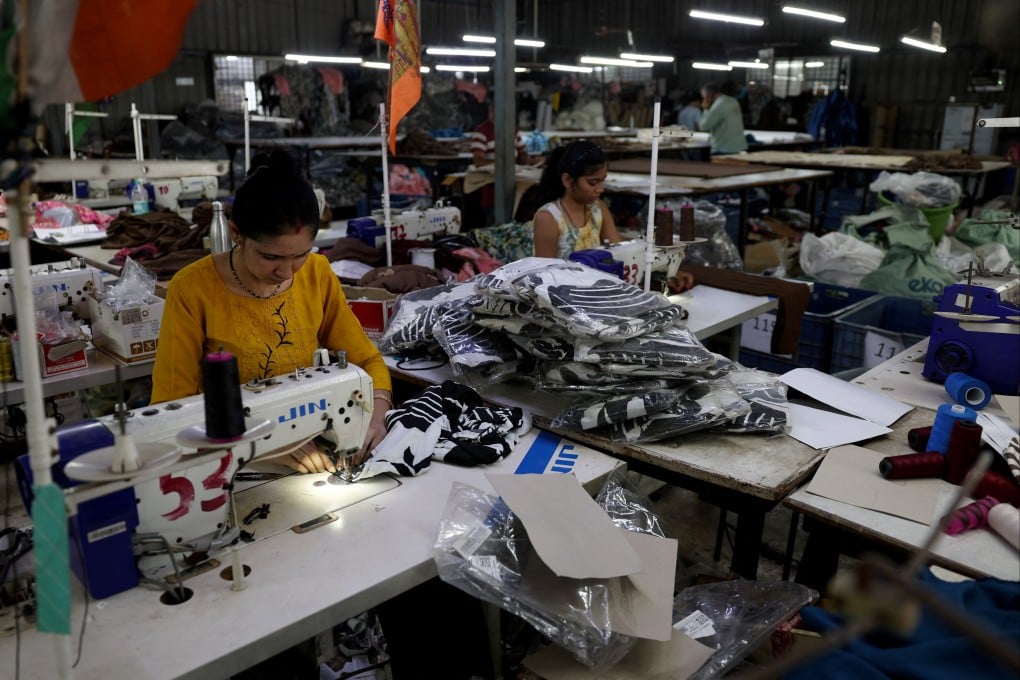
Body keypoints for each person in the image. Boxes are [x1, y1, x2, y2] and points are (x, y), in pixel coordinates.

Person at [150, 149, 392, 474]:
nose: (288, 272)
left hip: (309, 450)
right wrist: (258, 449)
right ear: (237, 234)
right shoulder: (191, 290)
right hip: (227, 466)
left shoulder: (317, 274)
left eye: (301, 255)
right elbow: (170, 411)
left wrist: (376, 415)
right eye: (271, 258)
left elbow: (368, 362)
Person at [531, 140, 693, 292]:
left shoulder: (597, 209)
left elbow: (622, 252)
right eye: (592, 183)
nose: (600, 189)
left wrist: (664, 273)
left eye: (602, 182)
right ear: (567, 180)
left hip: (596, 289)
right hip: (566, 293)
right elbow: (546, 277)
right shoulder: (549, 218)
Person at [698, 82, 748, 155]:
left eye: (704, 97)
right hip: (739, 147)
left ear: (708, 96)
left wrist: (706, 109)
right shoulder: (733, 101)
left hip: (724, 149)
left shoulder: (718, 105)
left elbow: (704, 126)